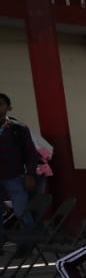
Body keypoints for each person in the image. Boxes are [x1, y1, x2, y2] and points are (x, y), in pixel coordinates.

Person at [0, 93, 41, 257]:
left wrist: (30, 175)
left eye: (1, 104)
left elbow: (31, 154)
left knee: (22, 213)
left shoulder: (18, 128)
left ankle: (25, 247)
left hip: (15, 177)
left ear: (8, 107)